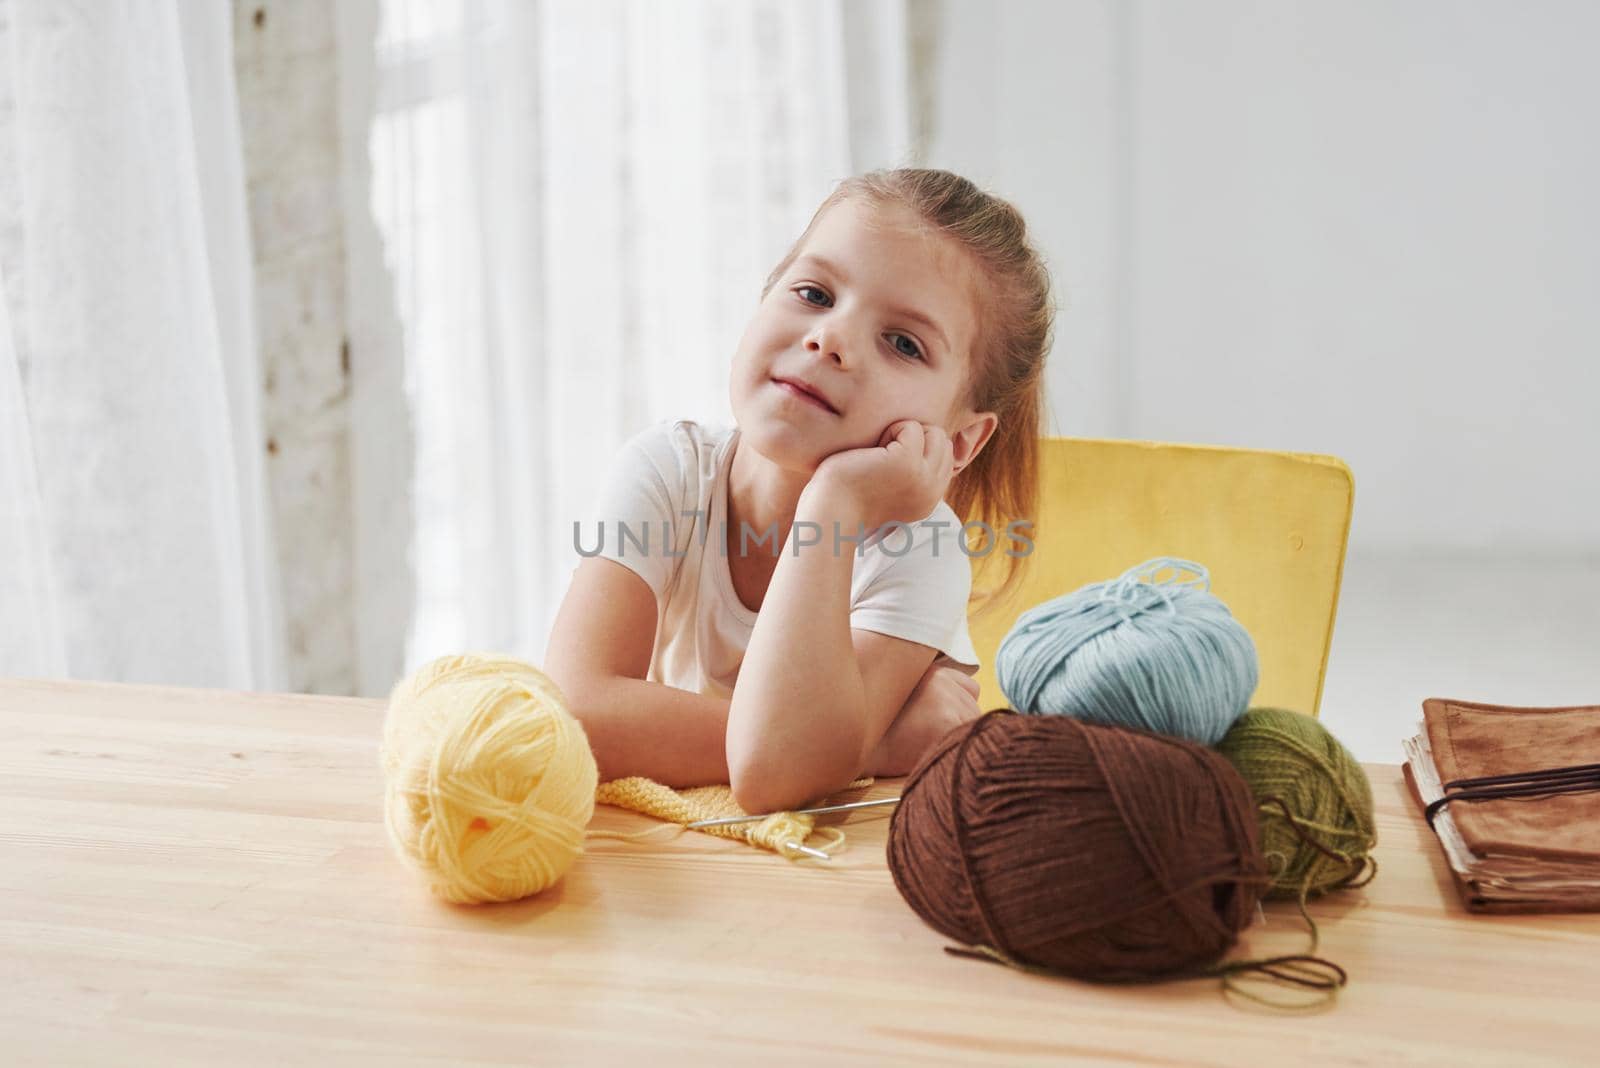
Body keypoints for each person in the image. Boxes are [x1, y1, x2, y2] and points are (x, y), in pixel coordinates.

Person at [545, 168, 1053, 814]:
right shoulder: (666, 469)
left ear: (959, 442)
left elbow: (774, 778)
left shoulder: (920, 549)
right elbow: (574, 710)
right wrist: (870, 746)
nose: (831, 338)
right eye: (814, 293)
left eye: (902, 343)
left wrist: (834, 501)